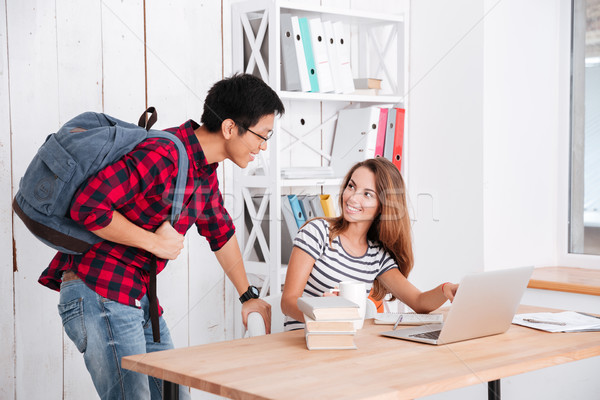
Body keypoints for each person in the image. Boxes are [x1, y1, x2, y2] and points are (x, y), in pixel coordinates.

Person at [38, 73, 284, 399]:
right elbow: (88, 206)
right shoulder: (162, 154)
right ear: (229, 128)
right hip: (100, 291)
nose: (262, 147)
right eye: (261, 136)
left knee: (175, 396)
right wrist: (154, 242)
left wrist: (247, 296)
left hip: (139, 301)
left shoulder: (203, 173)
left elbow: (220, 233)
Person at [281, 157, 458, 330]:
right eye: (351, 186)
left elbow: (418, 302)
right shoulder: (317, 232)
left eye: (367, 194)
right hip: (302, 340)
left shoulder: (377, 255)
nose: (352, 198)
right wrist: (320, 315)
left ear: (383, 205)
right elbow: (288, 302)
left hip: (344, 344)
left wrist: (445, 289)